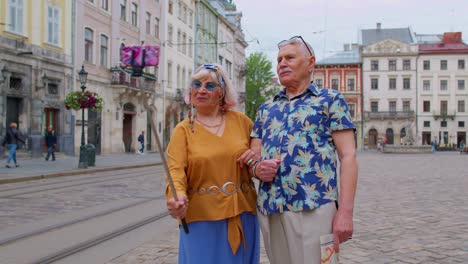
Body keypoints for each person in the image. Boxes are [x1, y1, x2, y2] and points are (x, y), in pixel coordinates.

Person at [249, 36, 358, 264]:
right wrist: (258, 169)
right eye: (279, 59)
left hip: (316, 206)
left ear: (310, 63)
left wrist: (345, 213)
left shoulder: (330, 100)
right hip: (272, 208)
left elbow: (348, 156)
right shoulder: (266, 109)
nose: (282, 63)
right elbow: (253, 157)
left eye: (289, 57)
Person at [165, 63, 260, 264]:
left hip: (242, 213)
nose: (201, 90)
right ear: (189, 91)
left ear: (221, 93)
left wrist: (256, 157)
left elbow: (260, 154)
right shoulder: (182, 131)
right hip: (201, 218)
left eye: (209, 86)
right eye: (196, 84)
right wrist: (178, 197)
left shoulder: (242, 122)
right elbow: (175, 171)